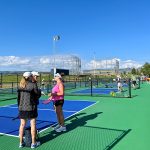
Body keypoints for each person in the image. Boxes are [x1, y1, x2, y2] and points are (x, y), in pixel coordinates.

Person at [17, 72, 40, 148]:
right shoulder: (33, 85)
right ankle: (33, 143)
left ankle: (21, 143)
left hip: (21, 108)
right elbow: (37, 95)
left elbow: (19, 98)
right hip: (31, 108)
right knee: (33, 124)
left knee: (22, 125)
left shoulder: (20, 85)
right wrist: (39, 91)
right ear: (30, 77)